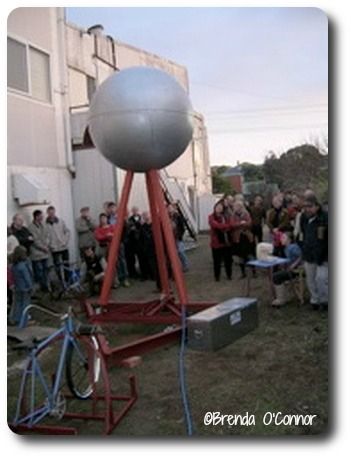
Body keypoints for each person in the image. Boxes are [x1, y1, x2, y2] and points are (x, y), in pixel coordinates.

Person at [300, 195, 328, 310]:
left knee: (321, 278)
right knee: (310, 279)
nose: (307, 209)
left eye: (310, 206)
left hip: (324, 254)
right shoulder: (304, 218)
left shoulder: (325, 218)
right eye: (305, 206)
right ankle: (315, 300)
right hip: (309, 253)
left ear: (316, 206)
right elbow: (303, 234)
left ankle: (325, 301)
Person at [271, 231, 302, 307]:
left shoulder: (293, 247)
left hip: (297, 270)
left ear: (289, 240)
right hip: (291, 269)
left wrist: (294, 265)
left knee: (276, 276)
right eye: (281, 238)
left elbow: (301, 256)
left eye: (284, 238)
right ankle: (283, 296)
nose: (281, 239)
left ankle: (281, 299)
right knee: (277, 274)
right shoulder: (286, 248)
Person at [46, 206, 70, 284]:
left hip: (63, 247)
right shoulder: (45, 224)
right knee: (57, 267)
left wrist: (65, 241)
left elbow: (67, 232)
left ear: (55, 212)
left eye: (53, 212)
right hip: (54, 249)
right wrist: (49, 244)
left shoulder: (61, 221)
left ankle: (68, 281)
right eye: (50, 213)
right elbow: (46, 237)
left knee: (66, 264)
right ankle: (61, 282)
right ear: (48, 213)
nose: (52, 214)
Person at [208, 202, 232, 281]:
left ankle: (229, 275)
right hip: (216, 243)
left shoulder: (225, 216)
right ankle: (217, 277)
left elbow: (230, 225)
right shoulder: (211, 217)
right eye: (217, 207)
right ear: (214, 208)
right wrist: (224, 226)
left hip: (225, 242)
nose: (219, 208)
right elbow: (215, 225)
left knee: (227, 260)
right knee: (216, 261)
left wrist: (223, 226)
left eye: (220, 207)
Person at [10, 245, 33, 327]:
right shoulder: (23, 266)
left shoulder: (13, 266)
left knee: (18, 304)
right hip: (25, 289)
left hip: (17, 288)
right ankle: (24, 320)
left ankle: (16, 318)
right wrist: (30, 287)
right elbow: (27, 278)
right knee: (26, 305)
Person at [231, 201, 255, 279]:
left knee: (249, 254)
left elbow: (250, 223)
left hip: (247, 237)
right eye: (236, 206)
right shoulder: (233, 215)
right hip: (238, 238)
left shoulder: (246, 214)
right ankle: (243, 272)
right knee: (240, 255)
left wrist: (243, 224)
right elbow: (232, 224)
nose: (238, 208)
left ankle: (254, 271)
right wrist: (240, 224)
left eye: (239, 206)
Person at [28, 210, 50, 292]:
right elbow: (35, 240)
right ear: (36, 217)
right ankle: (42, 287)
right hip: (37, 254)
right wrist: (43, 247)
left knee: (45, 270)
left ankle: (46, 286)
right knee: (39, 272)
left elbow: (47, 235)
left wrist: (47, 244)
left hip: (45, 252)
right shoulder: (31, 227)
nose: (42, 217)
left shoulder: (43, 225)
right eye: (41, 216)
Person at [168, 203, 189, 272]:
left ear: (174, 209)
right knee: (174, 253)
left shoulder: (178, 216)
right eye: (169, 208)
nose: (170, 209)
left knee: (181, 252)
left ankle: (185, 265)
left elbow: (182, 227)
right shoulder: (167, 217)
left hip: (178, 237)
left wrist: (180, 235)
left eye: (171, 208)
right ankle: (176, 267)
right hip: (171, 238)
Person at [125, 206, 143, 279]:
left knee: (141, 258)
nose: (135, 211)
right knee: (132, 259)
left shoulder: (141, 218)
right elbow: (128, 230)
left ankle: (143, 272)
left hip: (140, 242)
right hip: (132, 242)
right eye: (133, 210)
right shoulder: (130, 219)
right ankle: (133, 273)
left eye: (136, 210)